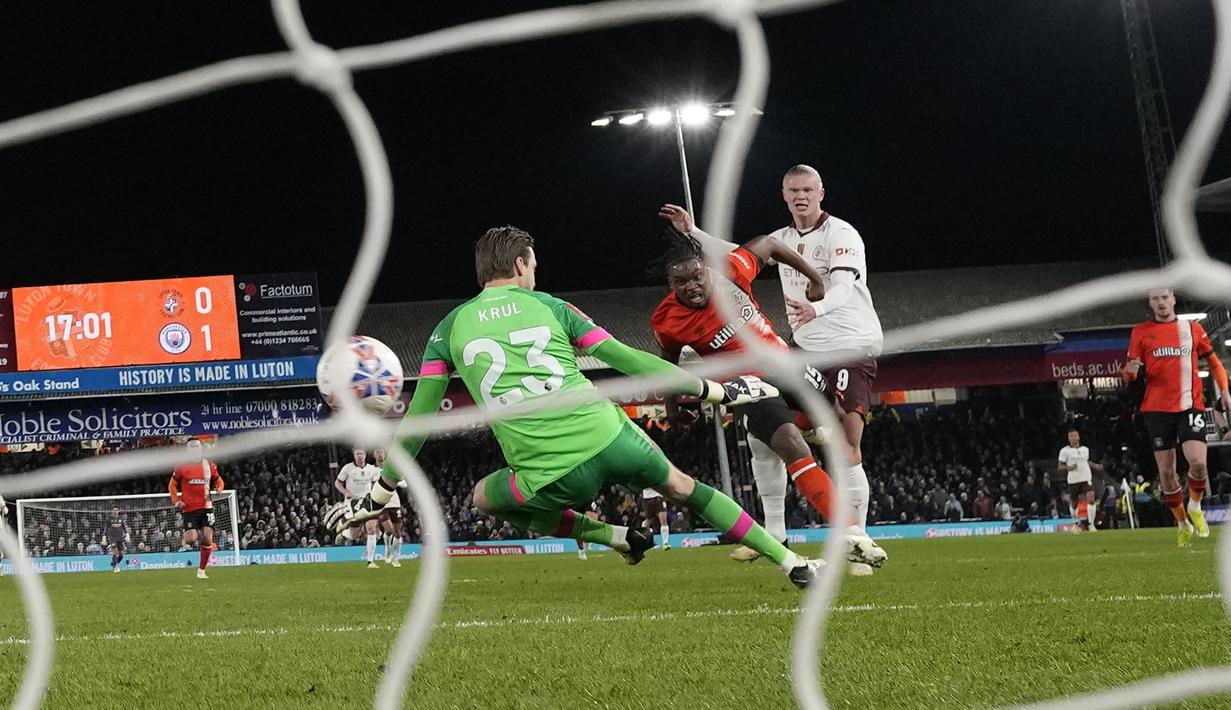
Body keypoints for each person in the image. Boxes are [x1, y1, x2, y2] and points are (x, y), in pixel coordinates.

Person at [327, 225, 823, 588]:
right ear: (521, 264)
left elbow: (418, 423)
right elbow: (626, 359)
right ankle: (791, 562)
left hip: (550, 472)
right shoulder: (553, 306)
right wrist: (712, 391)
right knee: (683, 487)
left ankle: (608, 535)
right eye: (534, 263)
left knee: (485, 496)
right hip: (611, 436)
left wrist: (379, 492)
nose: (535, 271)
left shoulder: (448, 330)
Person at [661, 164, 885, 575]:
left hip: (848, 347)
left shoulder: (842, 234)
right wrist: (692, 232)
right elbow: (735, 251)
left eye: (807, 189)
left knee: (846, 443)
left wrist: (816, 305)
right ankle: (776, 534)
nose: (800, 196)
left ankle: (857, 544)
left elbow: (844, 284)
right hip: (802, 349)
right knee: (763, 438)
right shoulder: (782, 239)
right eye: (792, 190)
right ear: (784, 195)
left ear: (821, 192)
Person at [1122, 288, 1231, 547]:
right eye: (1154, 299)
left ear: (1173, 300)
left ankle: (1194, 506)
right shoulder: (1140, 331)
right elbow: (1129, 375)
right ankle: (1182, 523)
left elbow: (1215, 363)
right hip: (1157, 410)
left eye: (1164, 297)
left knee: (1198, 464)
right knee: (1167, 474)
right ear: (1150, 303)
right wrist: (1130, 372)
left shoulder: (1191, 329)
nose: (1160, 303)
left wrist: (1225, 390)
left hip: (1190, 405)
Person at [168, 438, 224, 580]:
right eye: (191, 447)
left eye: (196, 446)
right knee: (191, 540)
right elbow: (172, 485)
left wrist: (219, 488)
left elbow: (218, 479)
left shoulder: (209, 465)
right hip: (189, 509)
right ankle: (187, 536)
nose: (194, 449)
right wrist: (176, 501)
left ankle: (201, 570)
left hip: (206, 507)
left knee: (207, 539)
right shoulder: (181, 466)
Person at [335, 447, 381, 568]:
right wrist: (345, 492)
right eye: (357, 454)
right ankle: (344, 533)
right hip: (352, 503)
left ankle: (370, 561)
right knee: (355, 535)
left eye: (362, 453)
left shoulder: (371, 469)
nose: (360, 456)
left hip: (367, 502)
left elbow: (376, 483)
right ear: (354, 455)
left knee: (371, 529)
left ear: (365, 455)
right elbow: (337, 483)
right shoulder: (348, 468)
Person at [1057, 429, 1104, 531]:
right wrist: (1068, 468)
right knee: (1074, 504)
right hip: (1073, 480)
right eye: (1071, 436)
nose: (1073, 438)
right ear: (1068, 438)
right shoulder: (1064, 451)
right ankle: (1075, 523)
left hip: (1086, 478)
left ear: (1078, 437)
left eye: (1075, 435)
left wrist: (1095, 466)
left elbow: (1086, 461)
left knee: (1091, 498)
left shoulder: (1085, 449)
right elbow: (1060, 466)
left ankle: (1091, 524)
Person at [370, 449, 408, 567]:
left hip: (394, 503)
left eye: (382, 454)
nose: (381, 456)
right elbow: (368, 486)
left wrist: (394, 481)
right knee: (389, 530)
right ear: (374, 456)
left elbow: (404, 484)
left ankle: (396, 558)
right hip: (381, 504)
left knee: (397, 532)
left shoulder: (392, 469)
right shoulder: (372, 471)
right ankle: (387, 548)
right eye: (378, 454)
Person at [101, 506, 130, 573]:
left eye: (116, 510)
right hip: (113, 538)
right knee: (115, 553)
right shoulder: (109, 519)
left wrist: (127, 535)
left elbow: (125, 527)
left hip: (120, 538)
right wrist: (104, 537)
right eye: (114, 510)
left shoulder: (121, 518)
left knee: (121, 555)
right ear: (112, 511)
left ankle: (114, 563)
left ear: (118, 511)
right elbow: (105, 529)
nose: (115, 511)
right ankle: (116, 567)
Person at [641, 488, 670, 552]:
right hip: (647, 498)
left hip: (659, 497)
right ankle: (645, 542)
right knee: (649, 521)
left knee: (663, 520)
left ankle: (665, 543)